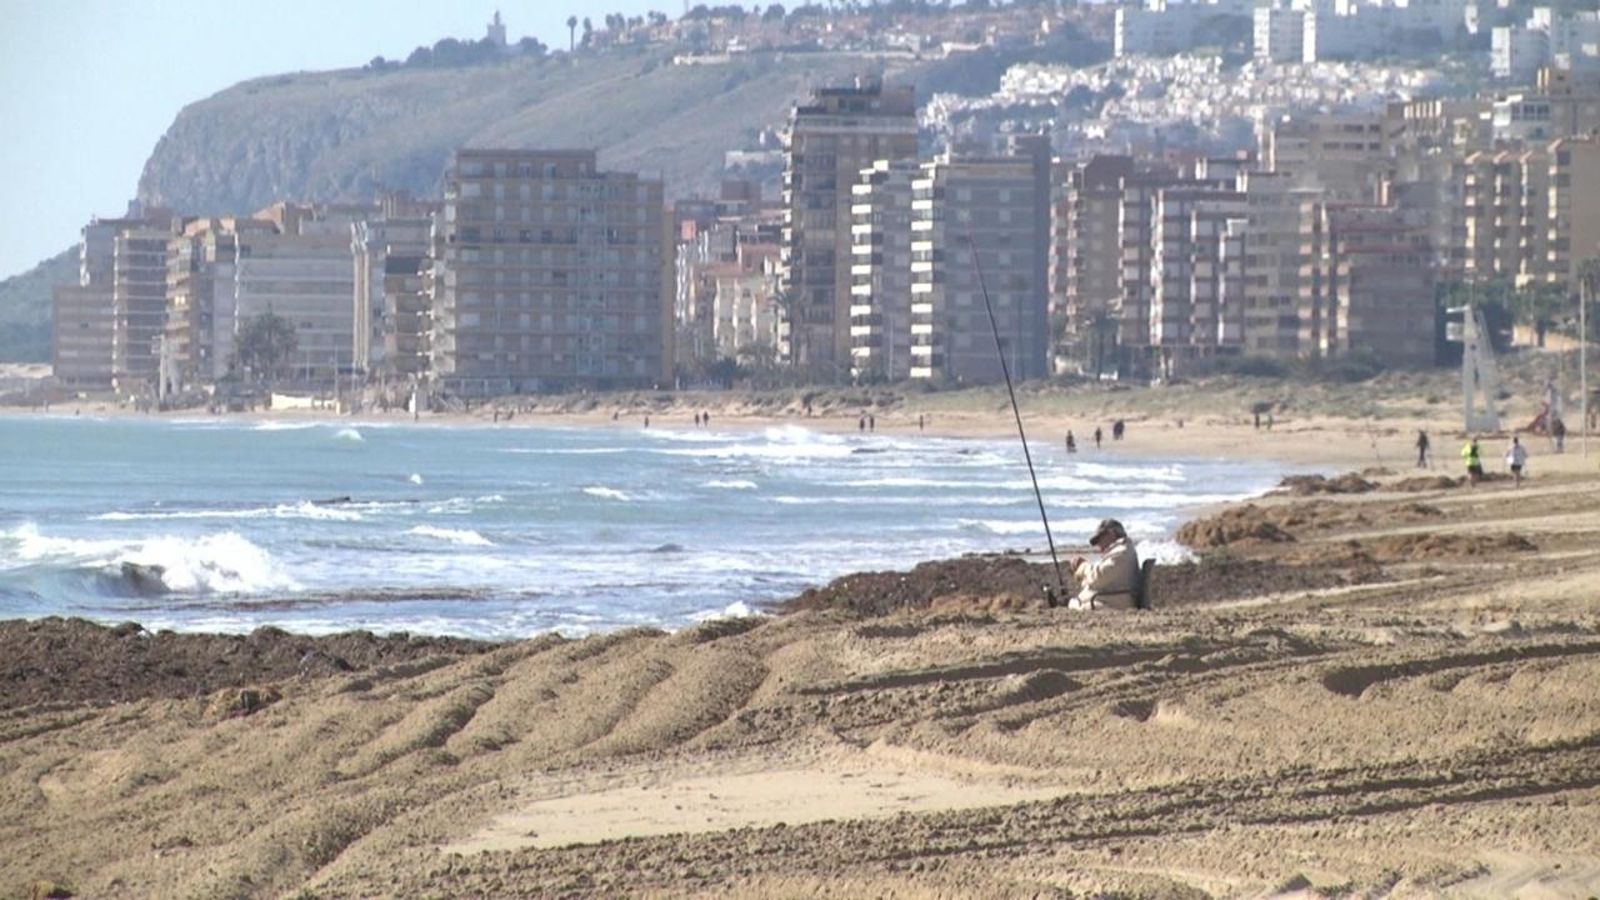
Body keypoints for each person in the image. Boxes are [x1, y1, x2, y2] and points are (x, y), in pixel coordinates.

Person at [1066, 519, 1140, 610]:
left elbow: (1099, 576)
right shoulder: (1120, 551)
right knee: (1073, 603)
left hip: (1114, 603)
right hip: (1113, 598)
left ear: (1110, 534)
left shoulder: (1121, 552)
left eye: (1099, 540)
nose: (1099, 546)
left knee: (1075, 606)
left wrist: (1083, 567)